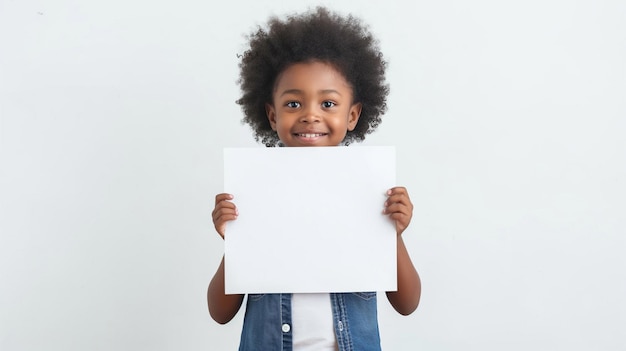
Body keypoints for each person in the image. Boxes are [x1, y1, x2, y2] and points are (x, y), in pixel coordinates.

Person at [208, 7, 421, 350]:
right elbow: (219, 312)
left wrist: (392, 234)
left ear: (352, 115)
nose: (310, 115)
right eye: (293, 104)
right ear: (271, 113)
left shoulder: (370, 193)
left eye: (328, 103)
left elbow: (407, 303)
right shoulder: (255, 195)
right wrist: (234, 241)